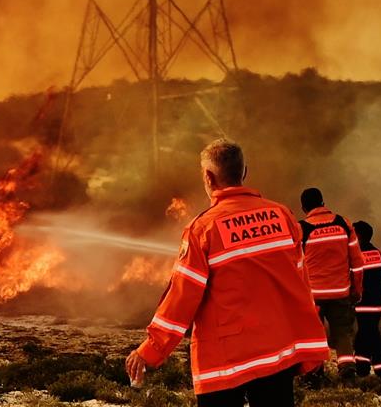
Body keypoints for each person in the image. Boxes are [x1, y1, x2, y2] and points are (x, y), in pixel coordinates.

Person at [125, 139, 330, 406]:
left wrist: (150, 350)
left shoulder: (203, 229)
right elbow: (302, 285)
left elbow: (182, 298)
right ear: (244, 172)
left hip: (225, 361)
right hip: (278, 354)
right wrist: (308, 343)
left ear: (208, 177)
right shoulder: (283, 216)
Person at [298, 187, 366, 379]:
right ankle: (347, 369)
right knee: (343, 333)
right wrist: (357, 289)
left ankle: (314, 373)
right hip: (340, 293)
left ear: (304, 207)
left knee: (314, 336)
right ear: (323, 202)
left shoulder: (301, 228)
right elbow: (357, 263)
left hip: (313, 297)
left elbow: (294, 265)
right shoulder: (343, 223)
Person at [350, 220, 381, 381]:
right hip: (377, 300)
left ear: (358, 235)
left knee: (370, 334)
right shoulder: (377, 253)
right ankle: (362, 368)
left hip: (364, 301)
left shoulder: (357, 253)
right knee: (365, 333)